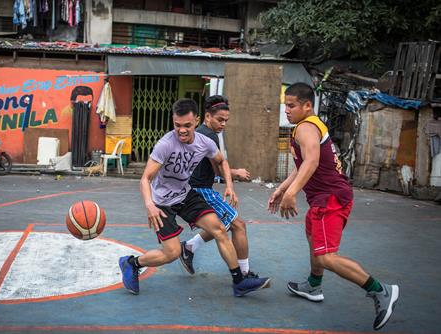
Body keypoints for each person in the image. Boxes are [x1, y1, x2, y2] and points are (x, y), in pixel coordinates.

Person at [268, 83, 399, 331]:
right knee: (312, 238)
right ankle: (314, 285)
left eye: (292, 105)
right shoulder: (311, 126)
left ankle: (380, 291)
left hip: (330, 199)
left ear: (308, 105)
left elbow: (313, 161)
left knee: (327, 256)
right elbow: (302, 164)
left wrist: (292, 193)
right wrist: (283, 188)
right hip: (324, 198)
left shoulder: (306, 127)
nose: (287, 110)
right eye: (285, 105)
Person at [119, 99, 270, 297]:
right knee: (171, 253)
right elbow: (145, 178)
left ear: (197, 121)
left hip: (185, 194)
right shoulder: (165, 145)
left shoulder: (204, 142)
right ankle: (131, 263)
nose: (182, 130)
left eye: (187, 126)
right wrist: (149, 205)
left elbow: (221, 161)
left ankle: (239, 281)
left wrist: (230, 186)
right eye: (177, 125)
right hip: (162, 203)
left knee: (219, 229)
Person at [179, 95, 267, 281]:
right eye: (220, 120)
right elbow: (217, 168)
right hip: (201, 190)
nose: (223, 124)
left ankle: (188, 248)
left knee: (220, 226)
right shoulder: (209, 135)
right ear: (207, 116)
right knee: (238, 225)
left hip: (193, 189)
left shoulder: (202, 132)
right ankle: (243, 274)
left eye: (226, 120)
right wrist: (236, 174)